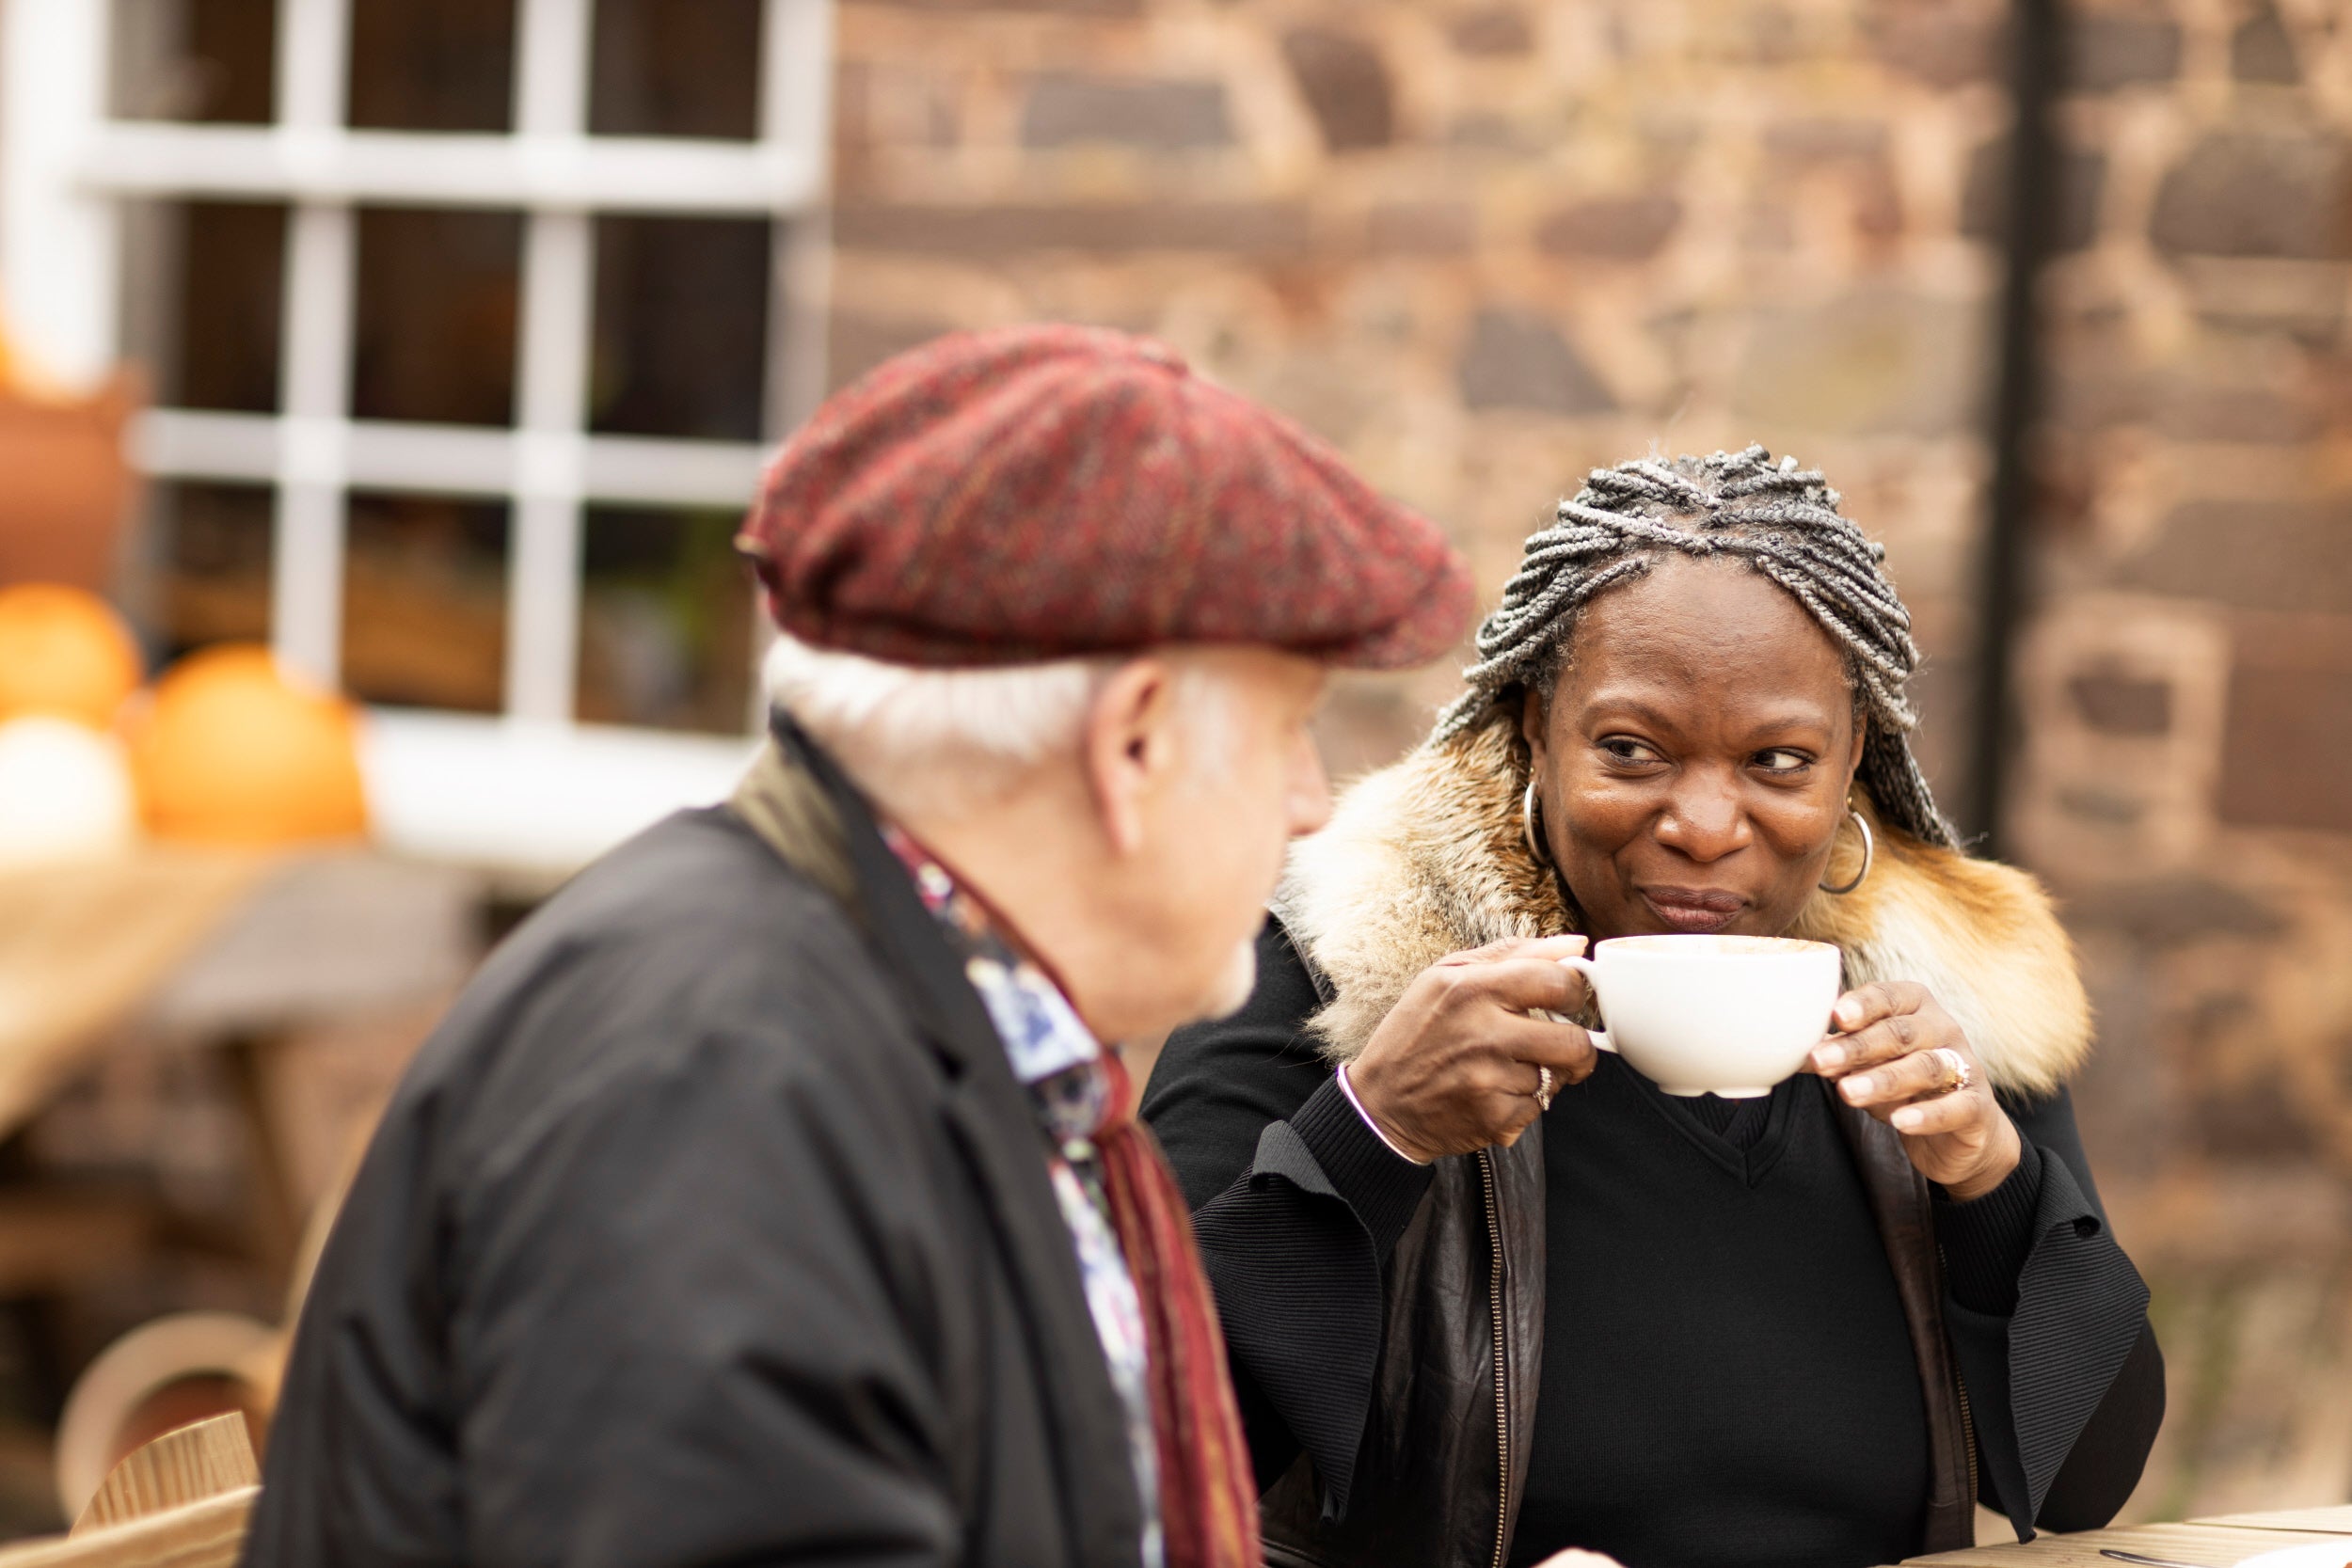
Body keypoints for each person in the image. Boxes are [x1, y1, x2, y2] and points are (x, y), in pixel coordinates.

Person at [238, 325, 1481, 1568]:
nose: (1310, 799)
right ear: (1135, 742)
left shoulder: (880, 1019)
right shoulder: (717, 1082)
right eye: (1288, 729)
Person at [1143, 448, 2166, 1568]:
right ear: (1534, 725)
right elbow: (1143, 1450)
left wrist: (1989, 1175)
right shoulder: (1335, 960)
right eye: (1631, 750)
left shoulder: (1949, 995)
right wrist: (1372, 1126)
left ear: (1850, 761)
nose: (1705, 823)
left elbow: (2087, 1482)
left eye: (1779, 761)